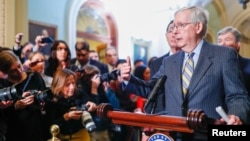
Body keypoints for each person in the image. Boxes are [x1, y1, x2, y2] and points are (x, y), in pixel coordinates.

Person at [119, 6, 250, 141]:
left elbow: (237, 95)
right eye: (174, 26)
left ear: (198, 27)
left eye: (180, 26)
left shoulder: (223, 55)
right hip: (173, 135)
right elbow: (152, 89)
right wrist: (128, 78)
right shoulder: (169, 62)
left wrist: (236, 115)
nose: (174, 31)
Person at [0, 50, 49, 141]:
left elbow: (46, 98)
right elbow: (3, 114)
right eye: (13, 71)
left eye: (19, 66)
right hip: (14, 132)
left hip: (36, 129)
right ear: (5, 72)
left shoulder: (34, 76)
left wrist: (41, 102)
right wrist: (16, 105)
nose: (19, 71)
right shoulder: (3, 84)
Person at [47, 68, 97, 141]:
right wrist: (66, 117)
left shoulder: (79, 93)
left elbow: (91, 112)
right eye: (67, 84)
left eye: (73, 83)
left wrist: (92, 106)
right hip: (59, 135)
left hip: (80, 134)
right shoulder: (51, 98)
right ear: (59, 85)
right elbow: (49, 124)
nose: (72, 87)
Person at [217, 26, 250, 94]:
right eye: (220, 41)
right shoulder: (211, 66)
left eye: (227, 40)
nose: (222, 44)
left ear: (238, 44)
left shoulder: (248, 65)